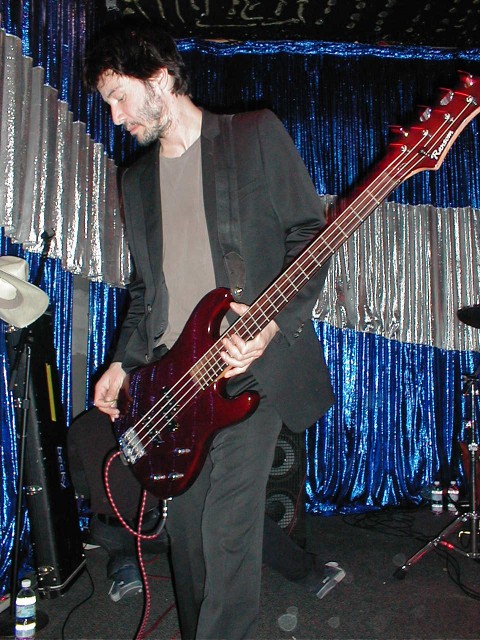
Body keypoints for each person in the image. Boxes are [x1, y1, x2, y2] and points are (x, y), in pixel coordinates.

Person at [84, 17, 334, 639]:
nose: (115, 118)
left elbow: (312, 237)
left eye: (119, 97)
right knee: (190, 540)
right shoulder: (135, 180)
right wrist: (121, 361)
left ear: (161, 78)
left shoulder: (254, 135)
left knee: (226, 531)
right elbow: (147, 292)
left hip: (252, 372)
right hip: (177, 380)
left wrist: (271, 325)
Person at [67, 408, 344, 604]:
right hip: (163, 528)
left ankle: (124, 567)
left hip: (112, 531)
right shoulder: (159, 415)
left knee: (115, 519)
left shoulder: (80, 425)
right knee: (238, 515)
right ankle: (312, 575)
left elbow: (82, 488)